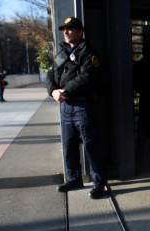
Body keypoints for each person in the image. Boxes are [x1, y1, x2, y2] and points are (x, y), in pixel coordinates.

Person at [46, 17, 106, 199]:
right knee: (69, 145)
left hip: (82, 105)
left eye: (70, 29)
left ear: (80, 32)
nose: (66, 32)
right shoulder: (61, 52)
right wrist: (53, 91)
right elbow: (50, 75)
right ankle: (74, 178)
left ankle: (99, 182)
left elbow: (87, 77)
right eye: (64, 29)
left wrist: (65, 92)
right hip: (66, 107)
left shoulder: (89, 53)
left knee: (90, 145)